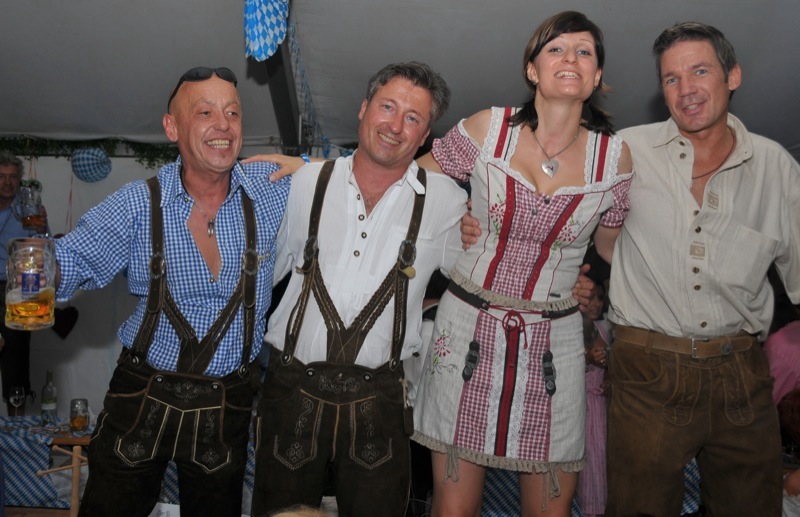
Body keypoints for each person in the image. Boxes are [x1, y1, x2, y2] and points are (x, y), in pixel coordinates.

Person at [409, 11, 632, 516]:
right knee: (453, 510)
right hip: (466, 328)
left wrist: (599, 294)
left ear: (596, 76)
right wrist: (453, 220)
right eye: (556, 49)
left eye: (584, 51)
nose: (570, 58)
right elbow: (409, 185)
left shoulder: (615, 159)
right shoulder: (487, 129)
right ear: (532, 69)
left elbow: (613, 250)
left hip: (556, 342)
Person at [53, 67, 291, 517]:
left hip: (227, 403)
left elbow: (358, 178)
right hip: (142, 394)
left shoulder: (272, 190)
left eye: (233, 113)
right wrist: (29, 268)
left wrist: (305, 165)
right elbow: (69, 260)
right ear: (172, 127)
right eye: (205, 112)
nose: (223, 125)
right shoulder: (137, 202)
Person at [248, 61, 467, 517]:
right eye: (387, 107)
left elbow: (481, 276)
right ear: (364, 108)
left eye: (412, 117)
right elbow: (255, 277)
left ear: (425, 136)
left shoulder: (447, 202)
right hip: (291, 391)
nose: (396, 125)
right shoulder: (305, 182)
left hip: (380, 402)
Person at [604, 22, 800, 516]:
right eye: (671, 78)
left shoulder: (777, 168)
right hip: (646, 370)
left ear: (733, 76)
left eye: (699, 72)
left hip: (743, 373)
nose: (685, 89)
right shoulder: (626, 150)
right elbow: (558, 208)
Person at [0, 151, 48, 417]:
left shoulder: (28, 208)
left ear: (19, 180)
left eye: (12, 177)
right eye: (1, 177)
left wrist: (43, 228)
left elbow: (43, 248)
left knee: (16, 356)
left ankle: (15, 425)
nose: (7, 182)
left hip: (17, 287)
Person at [578, 282, 610, 517]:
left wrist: (609, 377)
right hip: (578, 407)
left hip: (601, 406)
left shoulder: (605, 329)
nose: (596, 304)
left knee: (601, 460)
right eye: (591, 298)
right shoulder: (567, 329)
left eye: (600, 298)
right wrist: (587, 359)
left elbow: (615, 366)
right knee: (586, 463)